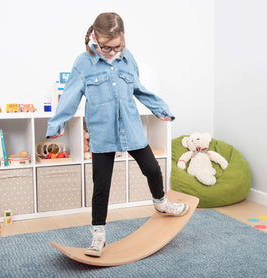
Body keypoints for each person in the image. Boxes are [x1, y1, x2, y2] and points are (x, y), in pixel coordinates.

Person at [46, 12, 189, 257]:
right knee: (101, 185)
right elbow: (70, 96)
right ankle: (98, 235)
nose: (112, 52)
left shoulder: (128, 58)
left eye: (117, 46)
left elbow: (139, 90)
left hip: (130, 128)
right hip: (102, 133)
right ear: (94, 37)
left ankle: (161, 203)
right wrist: (57, 124)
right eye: (106, 47)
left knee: (152, 169)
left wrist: (160, 110)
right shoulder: (83, 63)